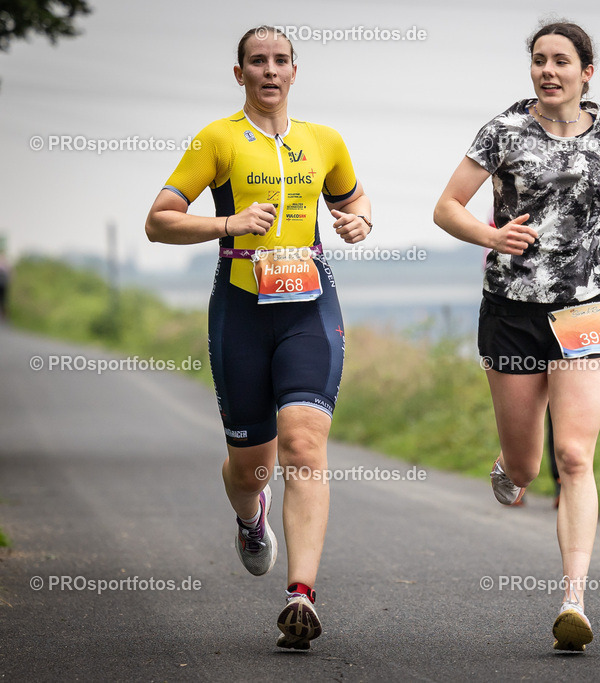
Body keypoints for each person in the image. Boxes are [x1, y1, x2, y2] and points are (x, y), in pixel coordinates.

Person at [433, 19, 600, 651]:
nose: (548, 70)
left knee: (574, 457)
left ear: (586, 72)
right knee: (528, 466)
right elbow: (446, 207)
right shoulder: (503, 131)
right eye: (539, 60)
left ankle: (574, 599)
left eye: (561, 61)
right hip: (511, 309)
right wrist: (492, 235)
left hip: (587, 307)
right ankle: (508, 465)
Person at [145, 26, 372, 651]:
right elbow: (158, 222)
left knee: (304, 443)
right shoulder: (216, 139)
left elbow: (356, 202)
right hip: (241, 308)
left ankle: (301, 595)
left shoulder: (325, 141)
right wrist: (230, 222)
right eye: (257, 61)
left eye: (280, 61)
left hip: (309, 306)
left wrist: (357, 221)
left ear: (296, 72)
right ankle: (252, 519)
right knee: (252, 466)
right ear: (239, 73)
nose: (269, 70)